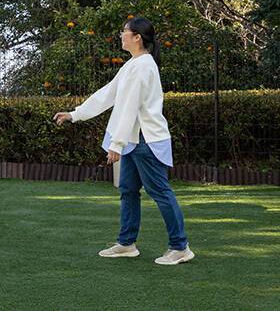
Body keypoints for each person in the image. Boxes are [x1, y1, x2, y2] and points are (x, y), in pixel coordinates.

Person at [53, 16, 193, 265]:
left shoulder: (143, 66)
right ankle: (127, 244)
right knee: (128, 190)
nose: (121, 35)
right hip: (133, 139)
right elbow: (108, 94)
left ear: (137, 37)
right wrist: (75, 114)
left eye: (124, 31)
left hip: (145, 140)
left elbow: (130, 107)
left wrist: (116, 145)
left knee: (159, 191)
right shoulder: (132, 65)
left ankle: (180, 247)